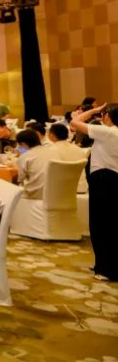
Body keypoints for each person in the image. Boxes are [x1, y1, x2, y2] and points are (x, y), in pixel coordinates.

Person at [71, 104, 118, 281]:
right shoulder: (110, 133)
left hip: (103, 179)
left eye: (103, 114)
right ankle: (105, 264)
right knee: (109, 223)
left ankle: (106, 269)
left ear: (108, 116)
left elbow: (75, 122)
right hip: (112, 178)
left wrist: (93, 110)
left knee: (101, 224)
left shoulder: (108, 132)